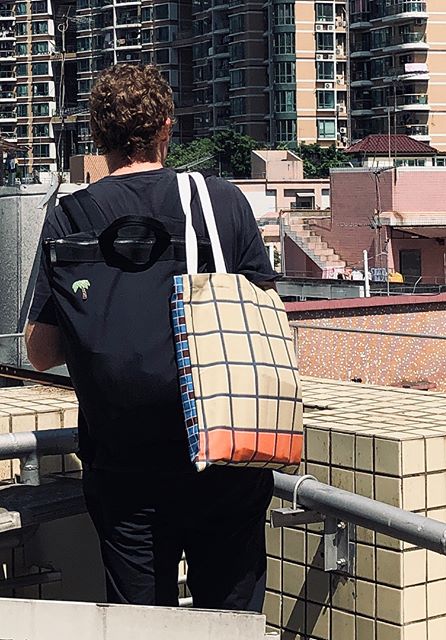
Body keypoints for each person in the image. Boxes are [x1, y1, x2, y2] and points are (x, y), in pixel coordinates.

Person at [25, 64, 278, 610]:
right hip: (225, 451)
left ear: (97, 136)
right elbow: (268, 323)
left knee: (142, 621)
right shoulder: (219, 202)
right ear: (167, 126)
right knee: (230, 619)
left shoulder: (72, 215)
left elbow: (40, 353)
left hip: (125, 468)